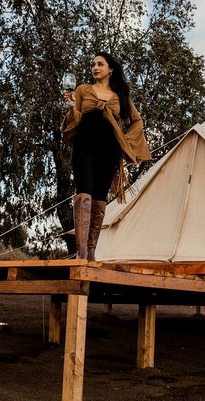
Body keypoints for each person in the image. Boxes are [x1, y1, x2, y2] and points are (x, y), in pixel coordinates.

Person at [61, 52, 151, 260]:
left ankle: (91, 251)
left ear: (110, 69)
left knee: (100, 197)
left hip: (109, 149)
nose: (95, 67)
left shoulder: (121, 96)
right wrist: (72, 105)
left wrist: (125, 141)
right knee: (84, 192)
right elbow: (75, 120)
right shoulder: (83, 89)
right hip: (85, 144)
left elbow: (138, 121)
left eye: (100, 64)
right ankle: (81, 252)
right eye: (93, 64)